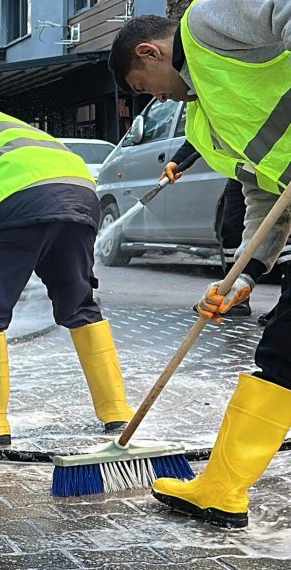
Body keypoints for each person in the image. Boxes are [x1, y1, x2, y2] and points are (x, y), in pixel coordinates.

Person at [109, 1, 291, 528]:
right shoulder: (206, 120)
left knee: (283, 350)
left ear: (150, 52)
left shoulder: (211, 21)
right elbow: (264, 195)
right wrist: (248, 274)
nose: (156, 97)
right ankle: (222, 486)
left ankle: (223, 487)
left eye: (145, 87)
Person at [0, 94, 137, 446]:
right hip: (77, 194)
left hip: (18, 198)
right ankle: (116, 409)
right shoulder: (0, 139)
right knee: (79, 303)